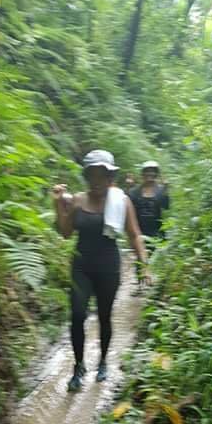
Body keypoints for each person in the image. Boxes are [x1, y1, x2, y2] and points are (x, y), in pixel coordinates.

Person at [52, 149, 149, 393]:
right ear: (86, 177)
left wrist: (144, 265)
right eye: (92, 175)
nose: (96, 181)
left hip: (108, 268)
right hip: (81, 267)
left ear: (110, 178)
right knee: (77, 315)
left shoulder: (121, 202)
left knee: (105, 316)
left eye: (102, 176)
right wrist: (57, 204)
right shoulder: (78, 201)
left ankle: (103, 361)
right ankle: (78, 367)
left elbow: (134, 235)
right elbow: (65, 233)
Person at [128, 160, 170, 241]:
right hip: (139, 232)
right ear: (143, 173)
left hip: (157, 233)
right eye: (147, 171)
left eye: (153, 171)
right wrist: (129, 187)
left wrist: (166, 188)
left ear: (156, 174)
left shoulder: (161, 190)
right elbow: (129, 207)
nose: (150, 174)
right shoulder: (135, 191)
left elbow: (166, 207)